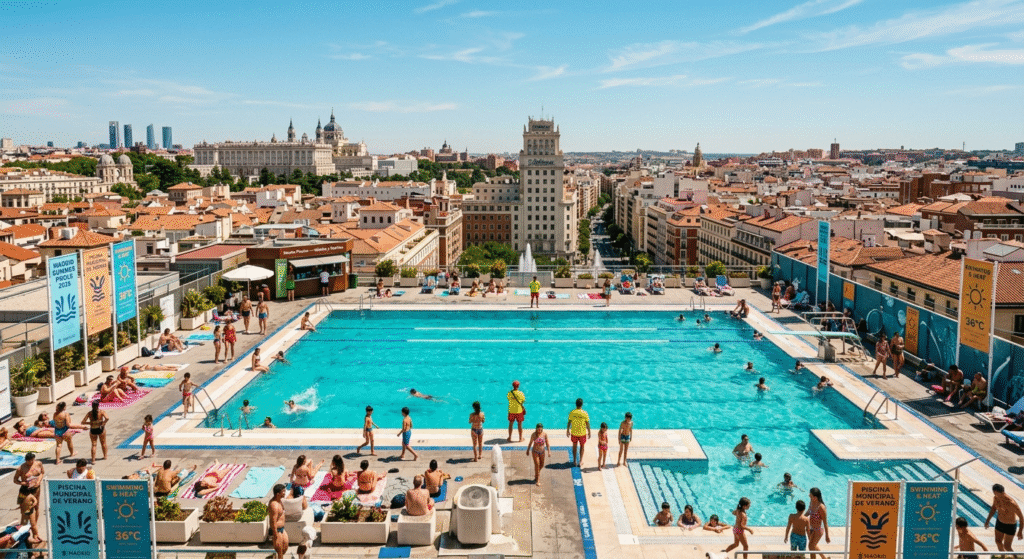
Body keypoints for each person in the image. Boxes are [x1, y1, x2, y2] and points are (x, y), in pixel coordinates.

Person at [985, 483, 1024, 553]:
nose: (994, 494)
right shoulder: (996, 498)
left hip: (1010, 525)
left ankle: (1015, 557)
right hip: (1000, 522)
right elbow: (993, 509)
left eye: (994, 492)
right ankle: (1003, 556)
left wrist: (1020, 531)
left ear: (996, 492)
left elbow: (1021, 517)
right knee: (998, 541)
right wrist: (987, 520)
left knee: (1007, 546)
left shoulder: (1011, 503)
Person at [566, 398, 591, 467]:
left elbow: (569, 422)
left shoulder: (572, 412)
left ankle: (574, 461)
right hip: (582, 433)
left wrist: (568, 430)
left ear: (576, 404)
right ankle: (580, 461)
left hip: (574, 433)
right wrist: (589, 432)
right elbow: (587, 423)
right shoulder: (585, 413)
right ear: (582, 404)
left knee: (574, 446)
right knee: (582, 446)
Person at [807, 487, 831, 557]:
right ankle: (824, 558)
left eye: (810, 494)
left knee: (811, 547)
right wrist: (802, 517)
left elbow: (825, 523)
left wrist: (827, 536)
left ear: (815, 497)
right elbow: (809, 511)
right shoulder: (811, 502)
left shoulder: (821, 507)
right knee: (813, 546)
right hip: (811, 528)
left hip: (818, 529)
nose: (808, 495)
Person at [269, 484, 288, 559]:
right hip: (277, 530)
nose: (285, 493)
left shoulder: (279, 501)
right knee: (280, 551)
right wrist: (275, 533)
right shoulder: (274, 505)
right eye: (283, 491)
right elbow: (273, 521)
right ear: (278, 494)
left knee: (285, 547)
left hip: (282, 528)